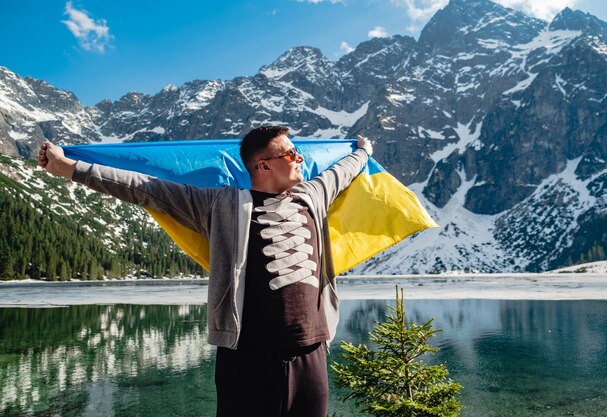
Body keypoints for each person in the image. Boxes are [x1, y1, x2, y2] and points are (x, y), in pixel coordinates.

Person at [38, 126, 373, 417]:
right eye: (291, 153)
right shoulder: (220, 204)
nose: (299, 158)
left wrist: (363, 151)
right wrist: (69, 167)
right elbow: (145, 187)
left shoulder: (313, 194)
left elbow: (343, 171)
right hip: (245, 355)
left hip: (310, 350)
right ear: (264, 165)